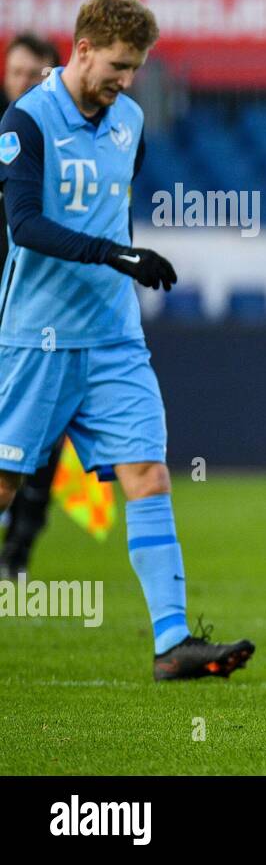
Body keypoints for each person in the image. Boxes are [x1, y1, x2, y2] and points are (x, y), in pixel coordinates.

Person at [0, 0, 253, 679]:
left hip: (114, 338)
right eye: (117, 64)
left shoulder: (131, 119)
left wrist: (126, 253)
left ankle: (172, 645)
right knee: (6, 484)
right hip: (38, 339)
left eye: (136, 67)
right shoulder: (27, 120)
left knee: (147, 472)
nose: (126, 80)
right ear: (81, 49)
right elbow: (23, 225)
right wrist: (114, 255)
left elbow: (117, 211)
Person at [0, 32, 62, 580]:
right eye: (14, 70)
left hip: (45, 314)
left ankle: (16, 555)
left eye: (32, 72)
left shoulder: (60, 143)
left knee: (40, 448)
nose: (20, 81)